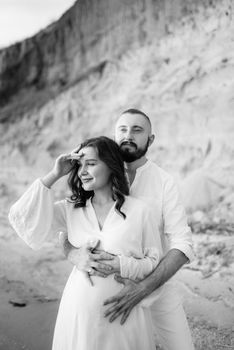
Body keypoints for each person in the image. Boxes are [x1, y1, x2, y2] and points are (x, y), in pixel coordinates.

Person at [8, 136, 164, 350]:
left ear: (111, 166)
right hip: (78, 313)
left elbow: (154, 263)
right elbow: (23, 217)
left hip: (123, 315)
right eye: (79, 165)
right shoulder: (71, 209)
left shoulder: (140, 211)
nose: (82, 171)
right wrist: (55, 174)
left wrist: (122, 264)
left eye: (91, 164)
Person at [61, 109, 195, 350]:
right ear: (114, 135)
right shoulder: (96, 174)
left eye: (137, 130)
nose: (128, 135)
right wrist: (73, 253)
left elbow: (182, 243)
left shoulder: (164, 182)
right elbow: (68, 227)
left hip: (157, 284)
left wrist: (144, 288)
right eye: (122, 129)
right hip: (108, 292)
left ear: (150, 140)